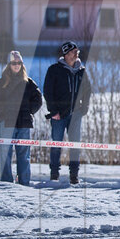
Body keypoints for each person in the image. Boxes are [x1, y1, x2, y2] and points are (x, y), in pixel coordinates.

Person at [43, 41, 92, 184]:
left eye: (77, 52)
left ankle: (74, 175)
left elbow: (87, 90)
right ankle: (54, 174)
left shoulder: (81, 71)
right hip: (58, 115)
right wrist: (53, 111)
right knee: (56, 144)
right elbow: (48, 91)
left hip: (75, 115)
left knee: (75, 145)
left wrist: (84, 107)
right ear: (65, 54)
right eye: (73, 52)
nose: (76, 55)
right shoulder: (54, 70)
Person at [0, 51, 42, 186]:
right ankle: (6, 182)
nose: (16, 65)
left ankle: (24, 182)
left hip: (24, 123)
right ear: (9, 65)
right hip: (7, 123)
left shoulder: (29, 83)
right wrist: (2, 114)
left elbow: (38, 100)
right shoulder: (1, 83)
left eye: (19, 63)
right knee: (5, 154)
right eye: (14, 63)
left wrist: (29, 112)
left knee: (24, 155)